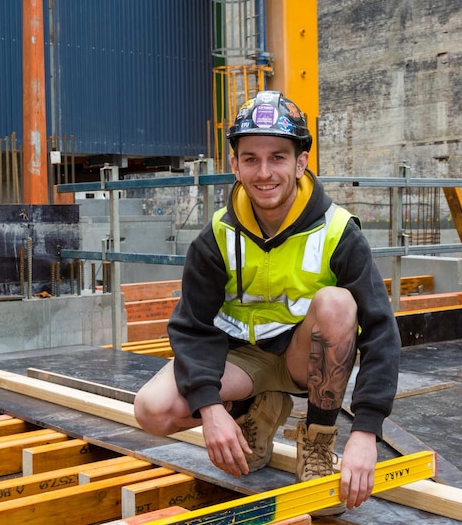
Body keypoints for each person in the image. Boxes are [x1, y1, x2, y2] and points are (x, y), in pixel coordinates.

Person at [134, 91, 401, 515]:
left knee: (337, 304)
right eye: (251, 158)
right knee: (152, 410)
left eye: (277, 157)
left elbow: (382, 331)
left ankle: (316, 444)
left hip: (303, 360)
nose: (264, 172)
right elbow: (191, 327)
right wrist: (211, 411)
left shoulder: (337, 231)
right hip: (240, 360)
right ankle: (253, 413)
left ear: (301, 162)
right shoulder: (217, 236)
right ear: (235, 165)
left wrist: (366, 432)